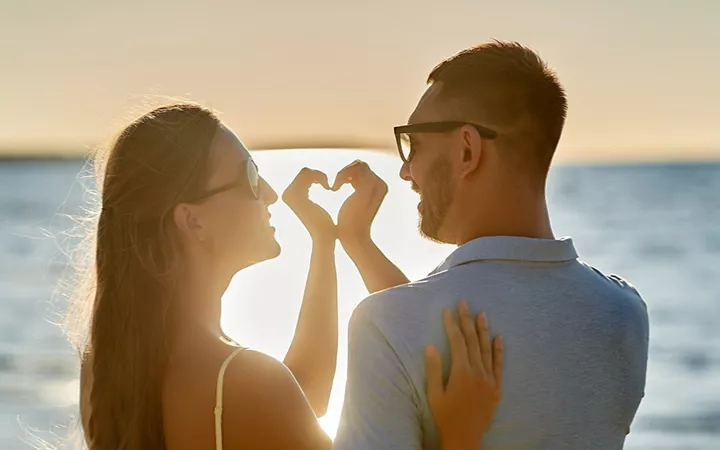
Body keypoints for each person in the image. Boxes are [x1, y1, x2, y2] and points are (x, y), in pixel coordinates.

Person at [69, 103, 504, 450]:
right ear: (192, 221)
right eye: (249, 176)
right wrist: (460, 434)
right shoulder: (241, 384)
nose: (271, 193)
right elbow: (281, 400)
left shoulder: (109, 364)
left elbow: (302, 393)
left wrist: (328, 242)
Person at [331, 41, 650, 450]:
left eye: (415, 143)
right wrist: (359, 243)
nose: (406, 170)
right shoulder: (624, 312)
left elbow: (405, 325)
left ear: (468, 149)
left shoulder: (386, 325)